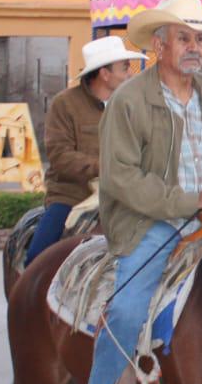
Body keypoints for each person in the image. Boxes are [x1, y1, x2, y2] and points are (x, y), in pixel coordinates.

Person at [80, 0, 202, 384]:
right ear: (159, 44)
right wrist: (189, 200)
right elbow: (123, 178)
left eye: (200, 39)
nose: (195, 47)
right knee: (129, 309)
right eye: (185, 38)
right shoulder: (128, 101)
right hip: (149, 222)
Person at [24, 36, 145, 265]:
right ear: (105, 74)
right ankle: (27, 292)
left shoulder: (132, 106)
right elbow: (60, 157)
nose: (130, 74)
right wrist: (107, 166)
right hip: (73, 196)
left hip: (124, 194)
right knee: (37, 258)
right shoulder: (65, 104)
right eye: (124, 67)